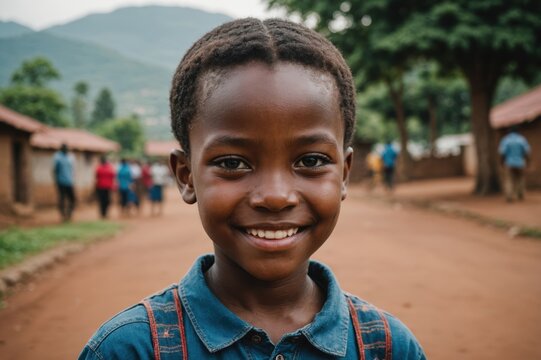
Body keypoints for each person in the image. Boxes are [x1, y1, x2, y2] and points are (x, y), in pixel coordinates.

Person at [79, 18, 425, 360]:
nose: (275, 196)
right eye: (232, 163)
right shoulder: (128, 350)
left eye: (311, 161)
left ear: (344, 174)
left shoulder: (389, 348)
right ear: (186, 176)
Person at [499, 126, 531, 202]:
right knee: (520, 179)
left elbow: (502, 153)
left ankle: (509, 196)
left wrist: (501, 162)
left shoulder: (506, 140)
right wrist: (528, 161)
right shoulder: (522, 140)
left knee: (509, 180)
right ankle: (520, 194)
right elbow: (526, 152)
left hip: (509, 163)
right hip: (520, 163)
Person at [52, 143, 75, 221]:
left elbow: (72, 170)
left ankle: (69, 214)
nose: (66, 150)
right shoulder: (57, 157)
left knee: (72, 199)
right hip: (61, 182)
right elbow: (55, 170)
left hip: (69, 181)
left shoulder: (70, 157)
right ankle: (62, 215)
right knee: (62, 199)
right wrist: (56, 181)